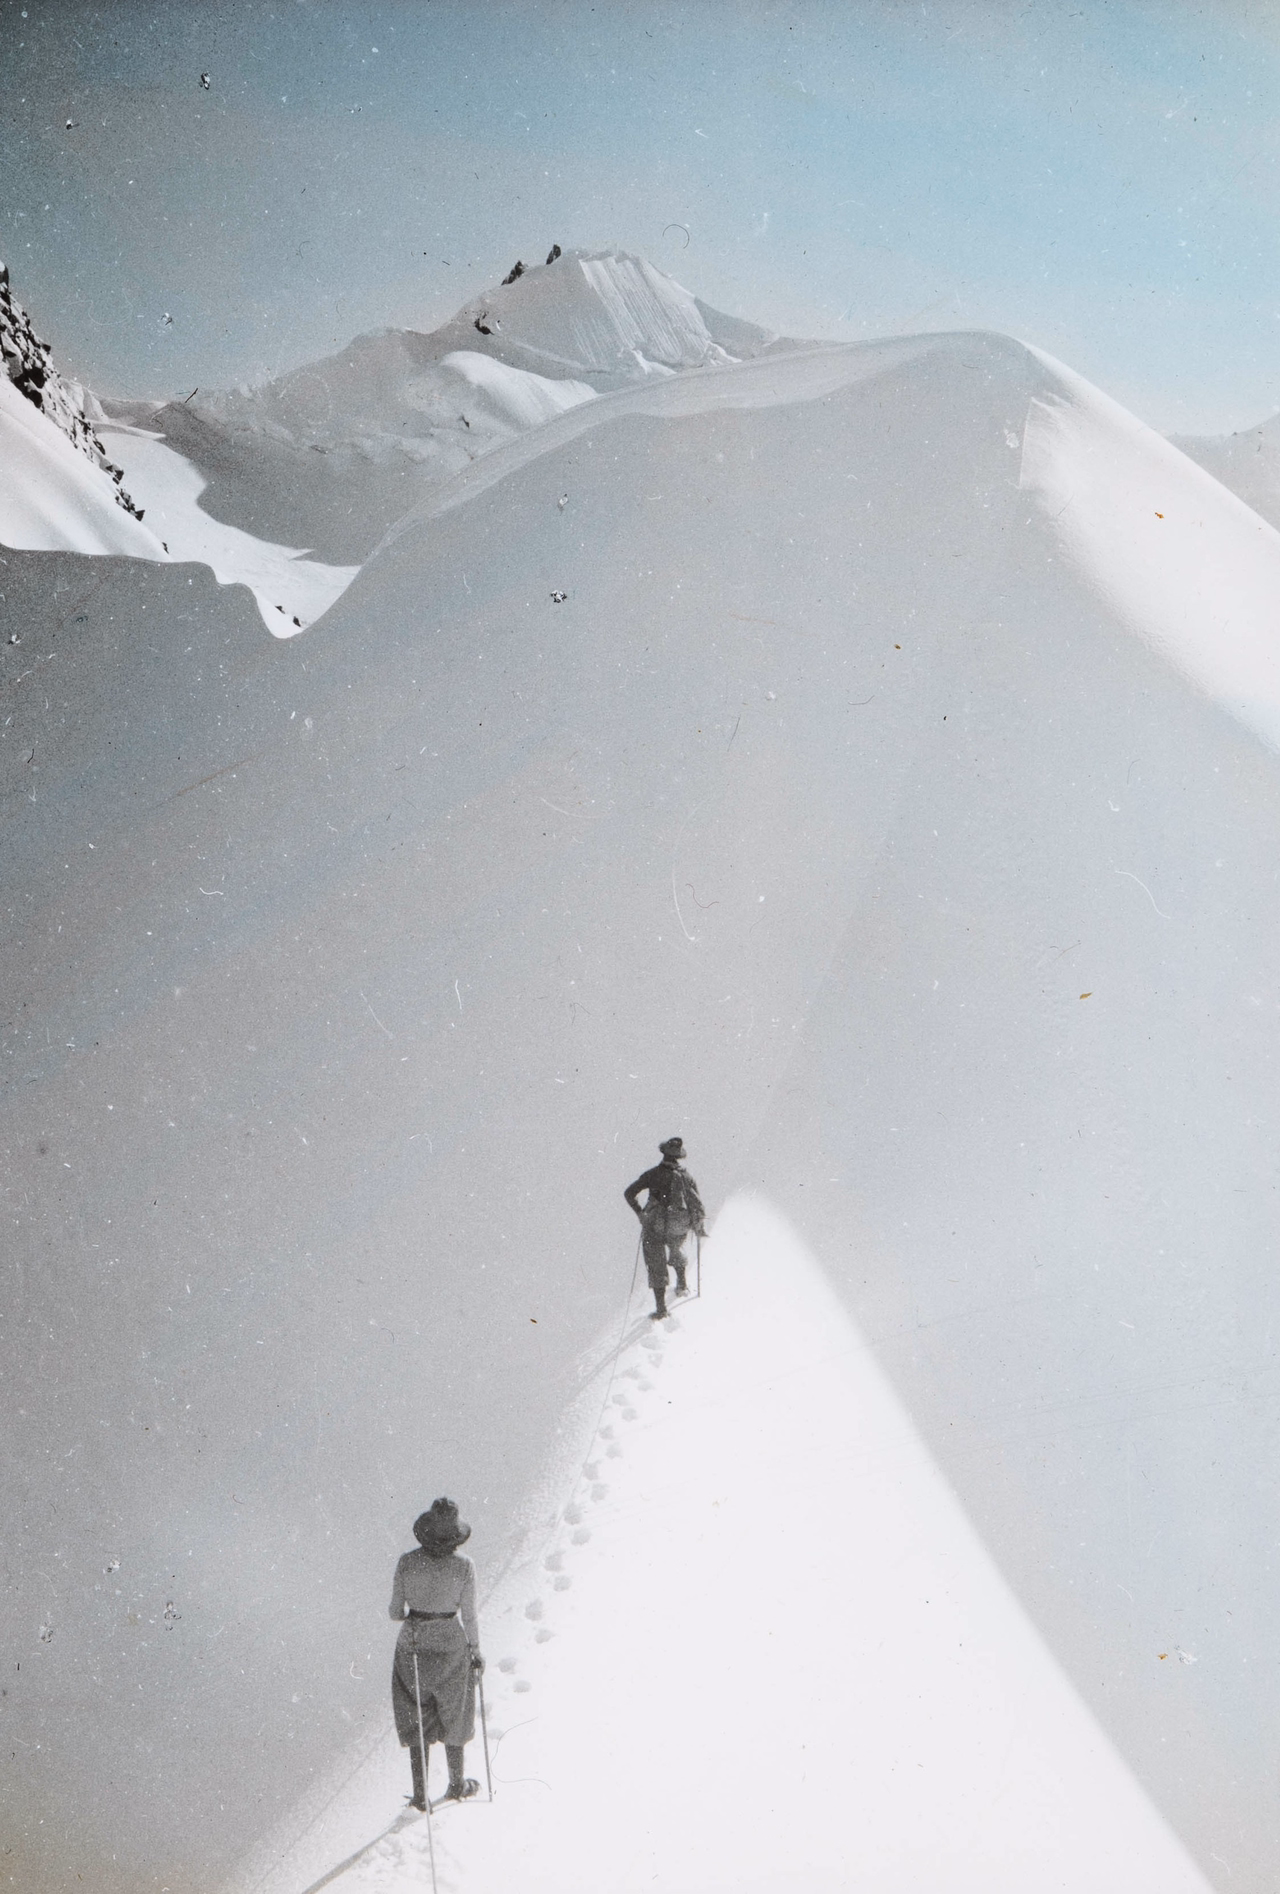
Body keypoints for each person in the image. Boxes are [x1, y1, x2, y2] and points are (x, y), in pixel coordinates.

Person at [389, 1498, 484, 1810]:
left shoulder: (406, 1562)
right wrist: (476, 1651)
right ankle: (456, 1784)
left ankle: (420, 1795)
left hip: (413, 1644)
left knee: (416, 1714)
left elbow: (394, 1611)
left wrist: (418, 1612)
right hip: (450, 1645)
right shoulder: (464, 1566)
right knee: (456, 1712)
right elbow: (469, 1615)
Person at [624, 1136, 707, 1320]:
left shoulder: (652, 1174)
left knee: (656, 1263)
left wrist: (640, 1214)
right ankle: (682, 1285)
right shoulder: (686, 1177)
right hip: (678, 1223)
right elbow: (696, 1203)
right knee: (677, 1248)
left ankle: (661, 1309)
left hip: (655, 1224)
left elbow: (629, 1193)